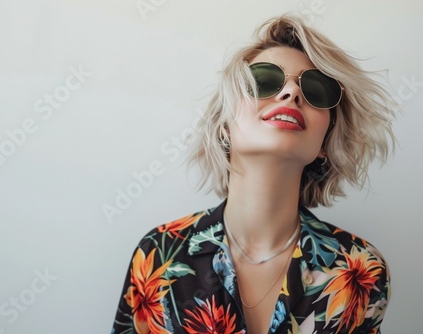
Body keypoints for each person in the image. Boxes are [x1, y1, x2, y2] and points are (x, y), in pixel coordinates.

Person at [112, 14, 395, 334]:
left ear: (325, 143)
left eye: (317, 88)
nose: (291, 92)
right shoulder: (158, 254)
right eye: (264, 80)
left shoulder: (362, 269)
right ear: (224, 125)